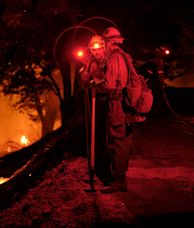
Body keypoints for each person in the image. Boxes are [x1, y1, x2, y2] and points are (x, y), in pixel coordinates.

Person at [79, 27, 130, 193]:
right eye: (92, 49)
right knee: (106, 140)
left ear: (107, 43)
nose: (95, 52)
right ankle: (106, 176)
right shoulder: (106, 60)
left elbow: (108, 84)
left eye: (100, 46)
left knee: (117, 141)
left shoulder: (115, 58)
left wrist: (94, 82)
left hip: (115, 103)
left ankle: (119, 181)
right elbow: (87, 81)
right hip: (106, 104)